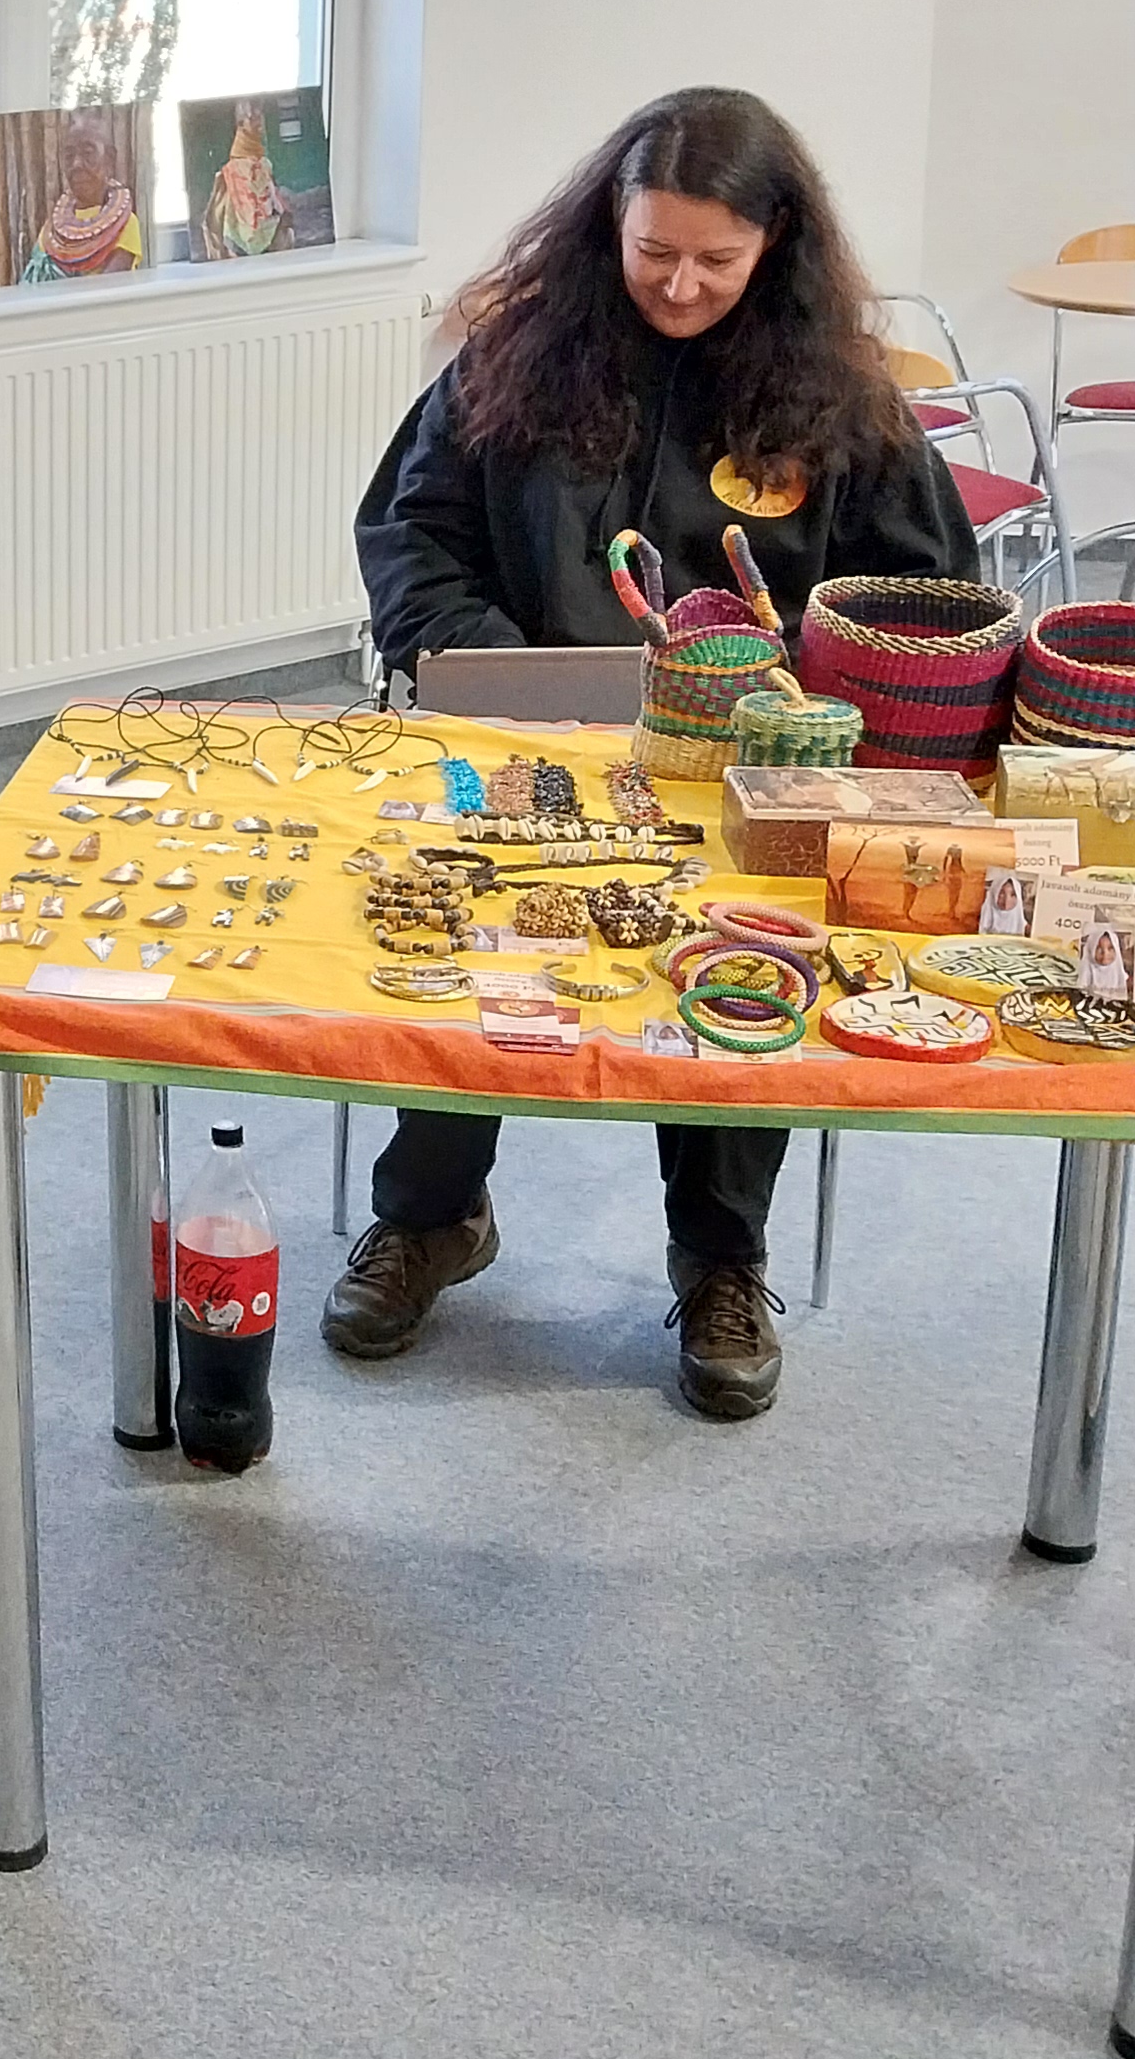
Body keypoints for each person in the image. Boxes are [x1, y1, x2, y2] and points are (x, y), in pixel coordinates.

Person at [334, 86, 976, 1421]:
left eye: (715, 260)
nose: (680, 285)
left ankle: (721, 1261)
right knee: (470, 954)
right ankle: (433, 1217)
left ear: (773, 244)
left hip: (756, 763)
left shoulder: (841, 398)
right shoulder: (519, 354)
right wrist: (492, 664)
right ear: (610, 228)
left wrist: (806, 708)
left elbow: (921, 594)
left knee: (747, 979)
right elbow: (412, 528)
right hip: (530, 737)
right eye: (653, 252)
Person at [20, 116, 144, 283]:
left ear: (109, 159)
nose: (77, 164)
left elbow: (109, 286)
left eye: (88, 153)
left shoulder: (125, 224)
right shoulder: (53, 231)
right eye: (69, 156)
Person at [201, 103, 291, 257]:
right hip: (237, 235)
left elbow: (273, 194)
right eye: (253, 118)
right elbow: (216, 211)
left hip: (267, 231)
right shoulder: (229, 171)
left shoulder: (264, 163)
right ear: (241, 123)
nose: (259, 123)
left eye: (259, 117)